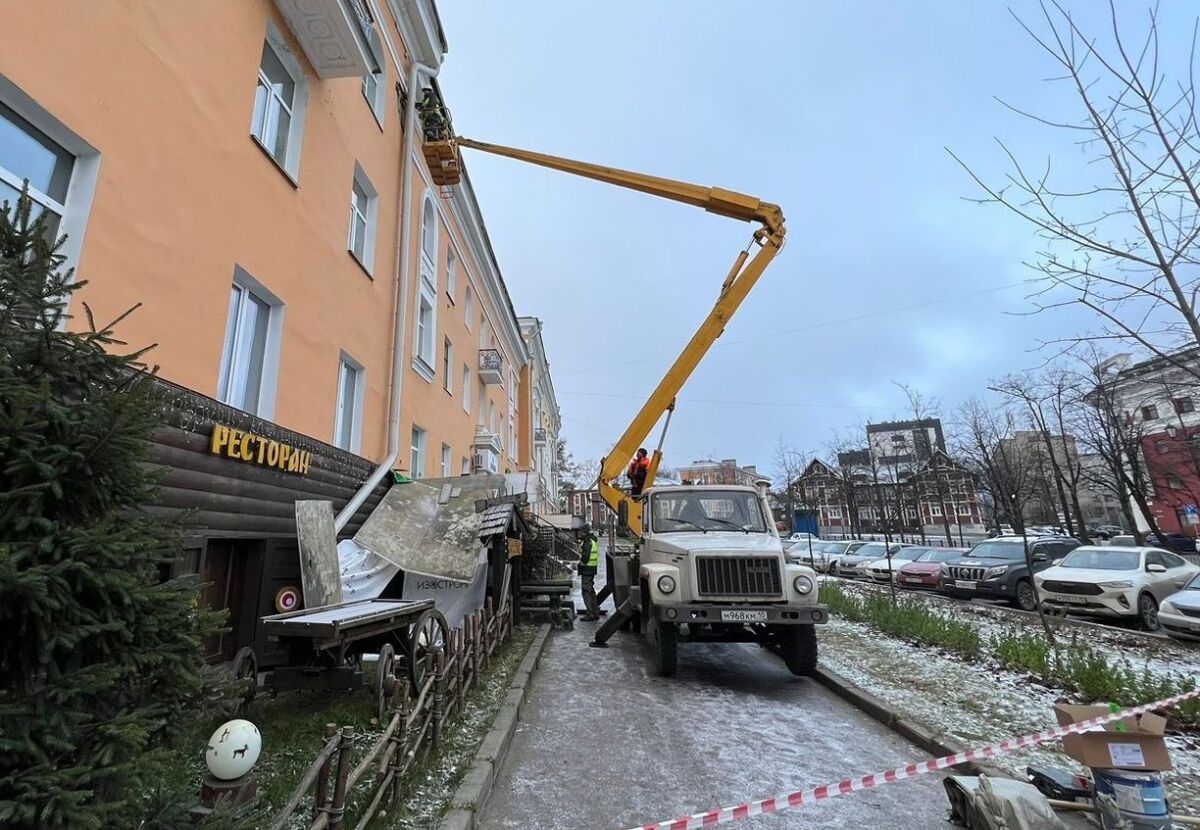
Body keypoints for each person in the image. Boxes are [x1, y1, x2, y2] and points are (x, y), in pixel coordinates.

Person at [577, 526, 600, 621]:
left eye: (580, 532)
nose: (578, 533)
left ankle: (590, 614)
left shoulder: (587, 542)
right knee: (591, 591)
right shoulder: (592, 540)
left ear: (584, 532)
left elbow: (585, 556)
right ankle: (595, 612)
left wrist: (580, 565)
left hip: (586, 569)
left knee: (586, 591)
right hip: (592, 569)